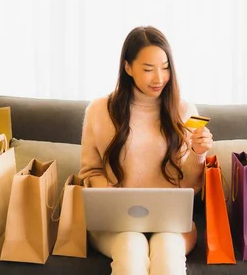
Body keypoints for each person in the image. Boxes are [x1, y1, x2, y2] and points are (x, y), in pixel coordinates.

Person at [79, 26, 214, 275]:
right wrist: (111, 195)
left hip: (171, 224)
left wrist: (198, 153)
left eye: (165, 67)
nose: (159, 78)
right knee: (131, 248)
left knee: (168, 253)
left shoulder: (184, 111)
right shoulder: (99, 111)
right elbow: (90, 170)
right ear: (128, 68)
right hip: (115, 223)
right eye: (148, 69)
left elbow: (192, 187)